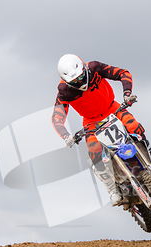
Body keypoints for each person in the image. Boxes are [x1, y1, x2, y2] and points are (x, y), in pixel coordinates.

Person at [51, 54, 146, 206]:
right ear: (66, 81)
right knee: (94, 151)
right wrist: (66, 135)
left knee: (135, 127)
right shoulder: (64, 91)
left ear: (83, 68)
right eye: (74, 81)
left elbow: (123, 73)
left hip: (112, 108)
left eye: (81, 76)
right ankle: (112, 189)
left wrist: (127, 94)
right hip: (91, 121)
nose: (79, 81)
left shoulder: (95, 67)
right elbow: (57, 116)